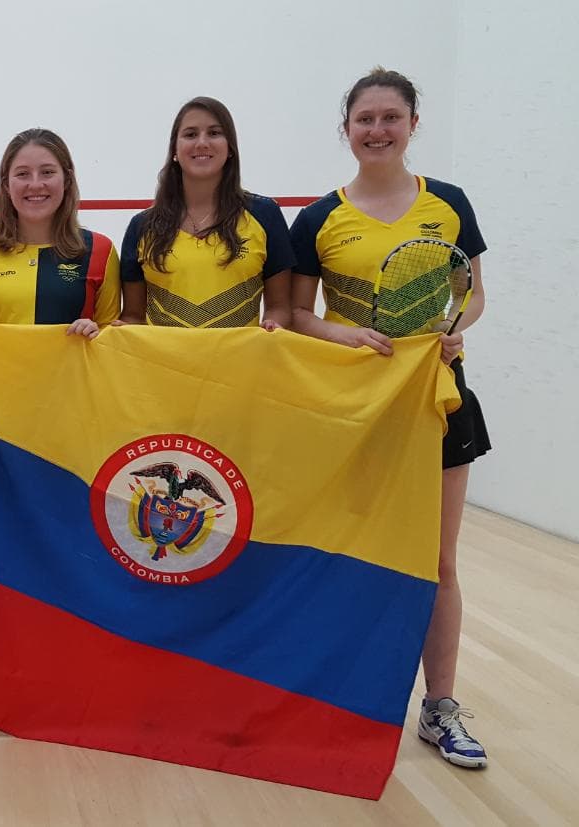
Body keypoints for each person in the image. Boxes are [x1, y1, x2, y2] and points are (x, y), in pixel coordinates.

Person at [289, 68, 490, 769]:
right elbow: (292, 317)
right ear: (345, 129)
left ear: (411, 125)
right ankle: (342, 699)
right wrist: (339, 335)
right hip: (351, 410)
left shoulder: (450, 204)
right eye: (364, 119)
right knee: (345, 558)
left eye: (390, 117)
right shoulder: (318, 220)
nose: (377, 129)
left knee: (438, 562)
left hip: (437, 398)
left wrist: (455, 328)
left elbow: (472, 294)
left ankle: (439, 709)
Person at [0, 127, 120, 347]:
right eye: (22, 174)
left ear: (66, 180)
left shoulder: (100, 249)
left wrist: (97, 334)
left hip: (73, 382)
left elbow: (113, 343)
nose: (36, 184)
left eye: (47, 172)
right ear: (6, 185)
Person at [118, 97, 292, 329]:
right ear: (174, 151)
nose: (202, 143)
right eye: (190, 134)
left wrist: (273, 326)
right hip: (162, 366)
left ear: (230, 147)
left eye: (214, 133)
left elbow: (280, 307)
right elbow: (132, 316)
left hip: (241, 364)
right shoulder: (141, 226)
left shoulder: (265, 215)